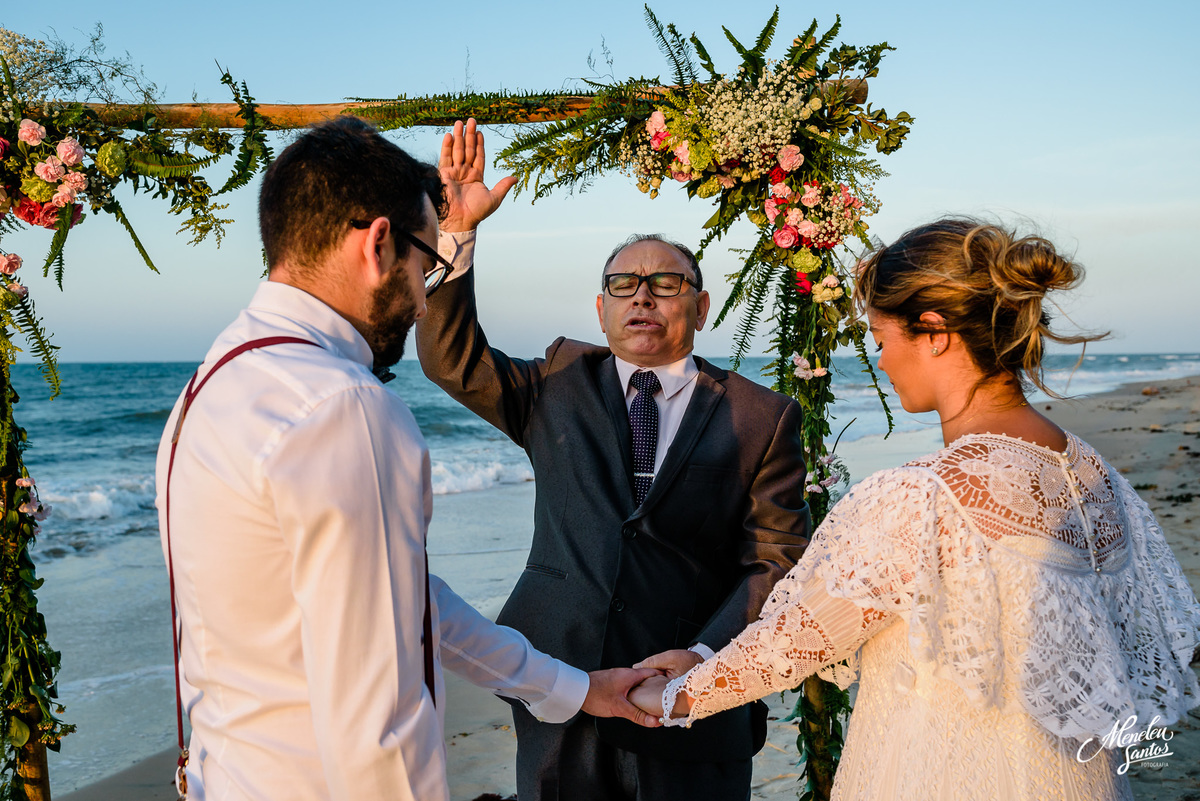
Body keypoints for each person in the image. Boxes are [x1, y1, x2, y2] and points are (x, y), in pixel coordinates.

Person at [154, 116, 659, 801]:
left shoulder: (211, 382)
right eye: (426, 266)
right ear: (379, 244)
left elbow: (407, 602)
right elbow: (379, 727)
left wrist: (569, 688)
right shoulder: (342, 407)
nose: (424, 299)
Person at [630, 218, 1200, 800]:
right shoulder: (1092, 474)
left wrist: (671, 694)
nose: (879, 361)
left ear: (932, 331)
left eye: (880, 339)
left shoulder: (921, 496)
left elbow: (792, 643)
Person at [417, 119, 811, 801]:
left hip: (691, 703)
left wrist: (704, 658)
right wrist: (455, 233)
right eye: (624, 283)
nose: (644, 295)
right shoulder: (554, 385)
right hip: (562, 685)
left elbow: (775, 558)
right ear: (601, 309)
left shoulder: (763, 416)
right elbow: (452, 360)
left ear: (701, 304)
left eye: (665, 281)